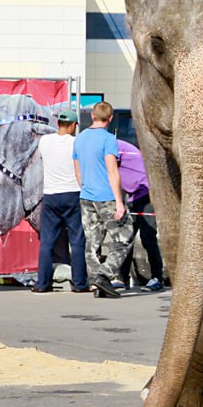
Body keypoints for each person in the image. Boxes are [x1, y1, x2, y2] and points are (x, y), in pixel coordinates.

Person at [73, 101, 133, 298]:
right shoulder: (108, 139)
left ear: (92, 115)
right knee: (124, 236)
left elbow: (78, 169)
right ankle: (105, 275)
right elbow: (112, 170)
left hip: (87, 195)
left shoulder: (79, 139)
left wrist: (85, 187)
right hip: (105, 195)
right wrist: (119, 201)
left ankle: (96, 283)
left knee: (92, 241)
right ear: (111, 118)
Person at [32, 109, 88, 293]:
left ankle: (42, 284)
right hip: (72, 193)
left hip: (50, 194)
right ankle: (80, 284)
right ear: (73, 125)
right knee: (77, 240)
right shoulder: (77, 142)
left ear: (58, 124)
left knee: (47, 241)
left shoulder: (45, 141)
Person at [115, 139, 164, 292]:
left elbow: (110, 173)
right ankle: (122, 278)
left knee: (148, 237)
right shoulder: (112, 146)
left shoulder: (113, 147)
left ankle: (157, 277)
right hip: (133, 196)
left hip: (146, 193)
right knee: (127, 237)